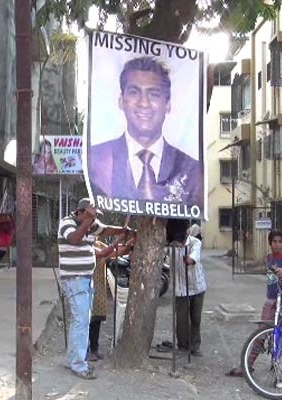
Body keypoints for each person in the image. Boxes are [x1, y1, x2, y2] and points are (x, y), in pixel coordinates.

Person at [89, 56, 203, 205]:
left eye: (153, 94)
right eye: (134, 92)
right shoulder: (97, 159)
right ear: (121, 101)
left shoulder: (191, 169)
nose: (144, 103)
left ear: (167, 104)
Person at [58, 198, 128, 379]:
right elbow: (74, 239)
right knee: (81, 322)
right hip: (74, 279)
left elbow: (105, 230)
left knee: (79, 322)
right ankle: (79, 365)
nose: (95, 219)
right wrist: (88, 221)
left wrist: (125, 231)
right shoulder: (67, 223)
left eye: (95, 216)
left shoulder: (90, 224)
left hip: (85, 279)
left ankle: (74, 359)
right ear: (80, 212)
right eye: (91, 215)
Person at [226, 230, 282, 381]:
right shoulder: (269, 258)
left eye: (280, 242)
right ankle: (247, 366)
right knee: (261, 332)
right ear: (270, 243)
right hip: (271, 300)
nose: (277, 244)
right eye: (274, 241)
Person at [88, 232, 136, 362]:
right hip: (89, 286)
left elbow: (117, 252)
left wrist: (130, 242)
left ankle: (94, 348)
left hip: (98, 286)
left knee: (96, 318)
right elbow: (105, 252)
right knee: (89, 320)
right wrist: (121, 238)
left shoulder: (97, 244)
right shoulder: (88, 246)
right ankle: (87, 350)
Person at [174, 224, 207, 357]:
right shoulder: (171, 245)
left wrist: (183, 251)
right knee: (181, 320)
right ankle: (182, 345)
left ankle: (195, 346)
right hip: (181, 287)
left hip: (197, 286)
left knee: (196, 318)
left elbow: (191, 260)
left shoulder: (195, 242)